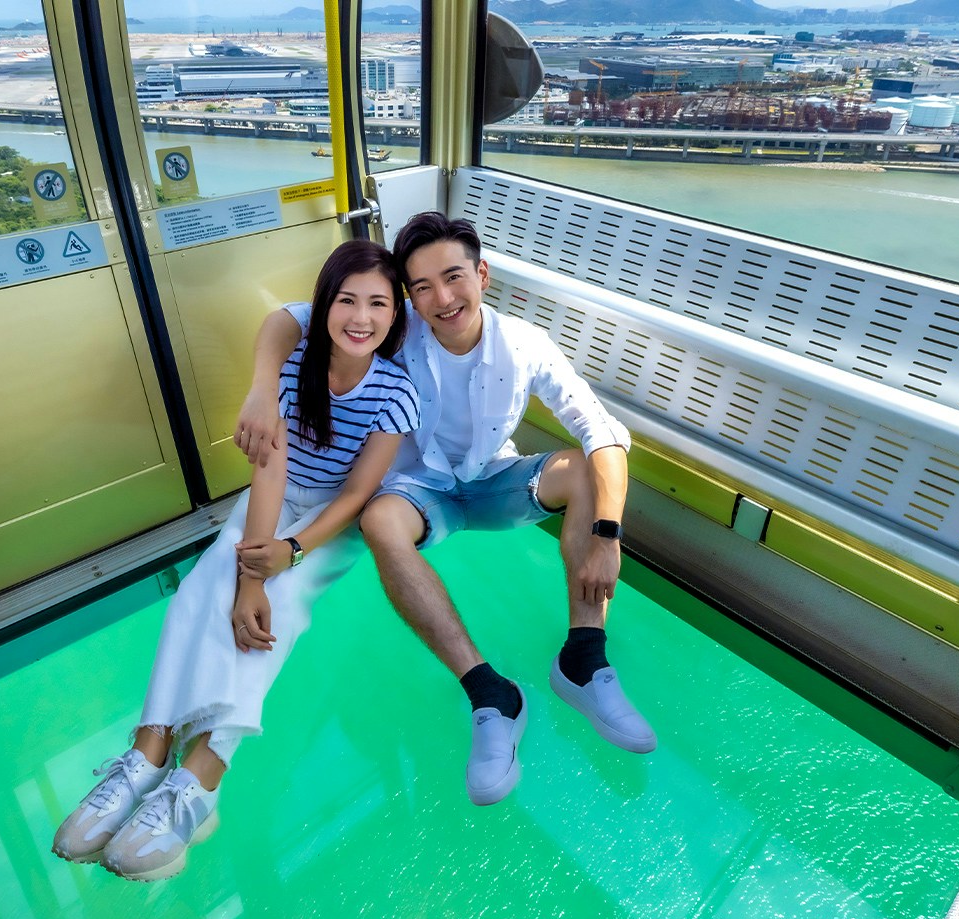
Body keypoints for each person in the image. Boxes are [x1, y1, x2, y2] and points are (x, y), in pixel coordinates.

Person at [234, 212, 654, 807]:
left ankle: (584, 658)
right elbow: (291, 319)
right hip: (423, 488)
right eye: (422, 287)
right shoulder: (395, 327)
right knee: (378, 519)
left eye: (454, 277)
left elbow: (601, 434)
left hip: (494, 480)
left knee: (584, 470)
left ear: (482, 274)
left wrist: (608, 536)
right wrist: (259, 386)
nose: (442, 298)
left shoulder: (526, 344)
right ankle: (490, 694)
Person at [53, 240, 418, 880]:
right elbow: (270, 466)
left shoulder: (395, 391)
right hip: (270, 503)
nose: (360, 317)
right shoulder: (295, 360)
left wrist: (290, 554)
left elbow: (359, 494)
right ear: (322, 305)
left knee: (274, 618)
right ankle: (149, 750)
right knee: (201, 595)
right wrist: (254, 563)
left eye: (378, 305)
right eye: (347, 300)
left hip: (327, 526)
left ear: (396, 317)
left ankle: (204, 777)